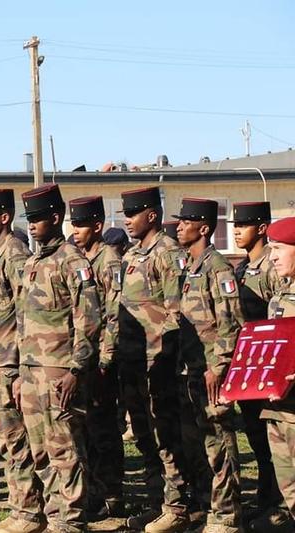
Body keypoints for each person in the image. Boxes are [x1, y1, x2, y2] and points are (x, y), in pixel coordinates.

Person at [17, 184, 101, 533]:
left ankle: (70, 519)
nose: (33, 226)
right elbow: (24, 323)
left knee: (64, 448)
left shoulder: (73, 262)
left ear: (56, 218)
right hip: (32, 370)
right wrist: (22, 372)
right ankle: (53, 514)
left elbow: (90, 321)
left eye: (38, 219)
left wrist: (76, 370)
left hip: (59, 370)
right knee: (39, 451)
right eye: (29, 220)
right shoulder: (34, 262)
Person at [118, 187, 190, 532]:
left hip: (159, 361)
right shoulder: (133, 254)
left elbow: (178, 313)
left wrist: (170, 360)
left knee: (166, 436)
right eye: (125, 214)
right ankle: (156, 501)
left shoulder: (168, 252)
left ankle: (178, 506)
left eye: (132, 214)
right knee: (145, 436)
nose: (126, 220)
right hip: (133, 362)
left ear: (152, 215)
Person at [0, 189, 42, 533]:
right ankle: (20, 509)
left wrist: (17, 370)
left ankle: (27, 514)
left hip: (7, 365)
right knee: (6, 441)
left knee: (16, 442)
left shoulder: (14, 254)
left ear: (4, 217)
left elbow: (24, 313)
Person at [175, 198, 243, 533]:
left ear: (203, 228)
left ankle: (228, 513)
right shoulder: (190, 267)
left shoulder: (218, 267)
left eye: (185, 222)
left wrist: (220, 365)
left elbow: (231, 323)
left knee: (218, 441)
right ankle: (206, 505)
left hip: (212, 371)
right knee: (195, 443)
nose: (179, 226)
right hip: (190, 369)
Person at [229, 202, 289, 530]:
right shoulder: (241, 268)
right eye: (235, 225)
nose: (237, 230)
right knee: (256, 436)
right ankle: (266, 499)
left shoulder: (271, 266)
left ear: (262, 228)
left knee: (270, 442)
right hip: (248, 367)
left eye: (245, 224)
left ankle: (276, 504)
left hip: (269, 367)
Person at [69, 196, 126, 519]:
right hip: (85, 358)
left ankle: (112, 494)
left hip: (103, 360)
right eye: (73, 225)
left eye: (81, 225)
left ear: (97, 226)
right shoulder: (80, 259)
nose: (75, 231)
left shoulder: (109, 261)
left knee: (104, 428)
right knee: (87, 428)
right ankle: (93, 492)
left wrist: (105, 360)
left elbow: (113, 314)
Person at [262, 217, 295, 530]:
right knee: (290, 490)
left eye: (279, 248)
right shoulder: (279, 298)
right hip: (278, 409)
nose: (271, 256)